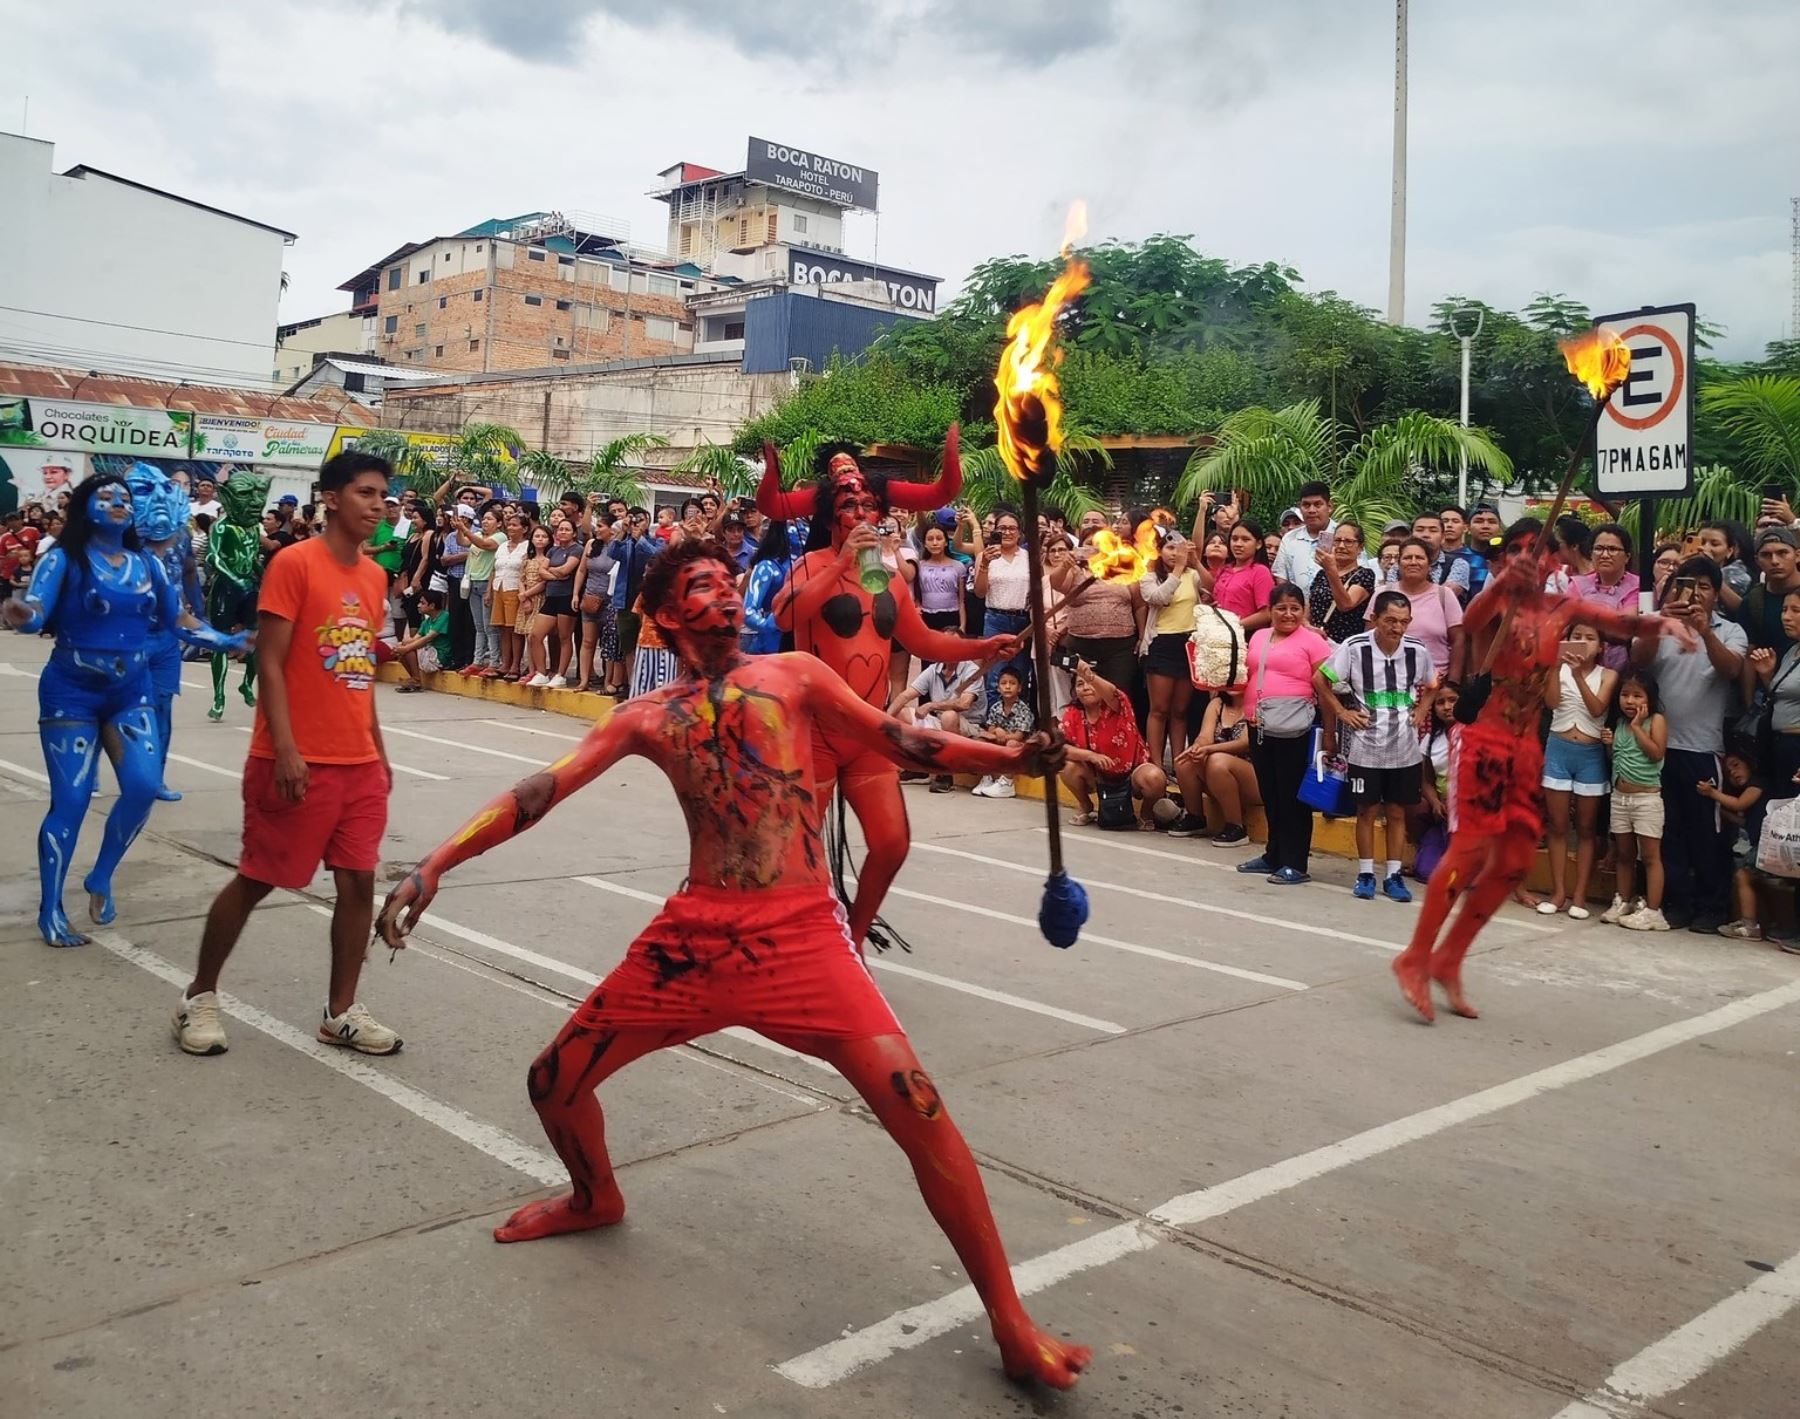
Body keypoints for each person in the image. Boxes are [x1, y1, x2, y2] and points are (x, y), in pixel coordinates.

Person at [373, 539, 1085, 1390]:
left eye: (729, 581)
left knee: (921, 1110)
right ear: (668, 614)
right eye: (704, 586)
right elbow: (540, 790)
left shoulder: (796, 675)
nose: (727, 593)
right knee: (551, 1083)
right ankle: (595, 1195)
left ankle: (1010, 1318)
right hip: (694, 942)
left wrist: (1010, 758)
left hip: (803, 940)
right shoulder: (645, 714)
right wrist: (436, 863)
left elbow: (902, 739)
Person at [1392, 524, 1691, 1022]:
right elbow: (1472, 615)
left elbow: (1620, 622)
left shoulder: (1564, 609)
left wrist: (1663, 622)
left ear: (1554, 560)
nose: (1527, 559)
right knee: (1468, 851)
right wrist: (1503, 582)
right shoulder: (1495, 604)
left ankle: (1448, 959)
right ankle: (1415, 956)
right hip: (1484, 743)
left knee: (1512, 862)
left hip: (1525, 748)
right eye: (1515, 551)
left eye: (1536, 551)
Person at [170, 453, 400, 1056]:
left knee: (358, 886)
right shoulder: (294, 564)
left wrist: (378, 751)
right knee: (256, 879)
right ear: (329, 498)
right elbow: (268, 661)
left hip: (358, 766)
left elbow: (360, 670)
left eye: (382, 495)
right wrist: (289, 750)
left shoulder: (374, 578)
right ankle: (198, 996)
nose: (378, 505)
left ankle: (340, 1012)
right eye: (365, 493)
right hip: (294, 760)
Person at [764, 430, 1015, 947]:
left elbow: (922, 639)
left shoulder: (891, 577)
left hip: (869, 731)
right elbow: (784, 615)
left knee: (892, 843)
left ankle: (852, 939)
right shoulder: (811, 564)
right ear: (832, 518)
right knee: (797, 851)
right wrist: (836, 563)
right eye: (850, 508)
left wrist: (984, 648)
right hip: (814, 732)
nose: (861, 516)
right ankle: (796, 937)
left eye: (869, 509)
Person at [4, 474, 248, 947]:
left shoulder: (145, 565)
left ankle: (101, 875)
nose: (118, 504)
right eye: (106, 498)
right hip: (70, 693)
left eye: (124, 499)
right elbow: (35, 612)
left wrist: (228, 639)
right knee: (71, 803)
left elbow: (179, 620)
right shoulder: (63, 560)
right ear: (84, 509)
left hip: (130, 692)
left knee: (141, 787)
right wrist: (21, 614)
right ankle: (51, 908)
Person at [1632, 556, 1748, 933]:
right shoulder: (1657, 625)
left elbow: (1731, 670)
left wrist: (1705, 632)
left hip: (1703, 750)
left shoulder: (1731, 631)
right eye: (1687, 583)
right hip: (1659, 748)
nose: (1695, 592)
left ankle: (1712, 907)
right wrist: (1661, 624)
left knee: (1707, 835)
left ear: (1716, 593)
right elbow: (1638, 661)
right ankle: (1677, 904)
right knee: (1670, 833)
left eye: (1704, 586)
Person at [1316, 590, 1435, 904]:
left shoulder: (1417, 649)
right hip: (1366, 744)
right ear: (1376, 619)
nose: (1397, 628)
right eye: (1390, 621)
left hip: (1405, 744)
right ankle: (1366, 873)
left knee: (1396, 811)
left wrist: (1422, 710)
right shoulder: (1355, 647)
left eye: (1403, 621)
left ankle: (1393, 875)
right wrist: (1342, 712)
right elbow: (1320, 679)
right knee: (1366, 810)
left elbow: (1433, 684)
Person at [1237, 583, 1331, 884]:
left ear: (1304, 611)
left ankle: (1295, 861)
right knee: (1271, 794)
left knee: (1292, 797)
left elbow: (1328, 687)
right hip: (1260, 726)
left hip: (1295, 729)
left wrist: (1330, 731)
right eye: (1281, 608)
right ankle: (1273, 854)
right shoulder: (1260, 636)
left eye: (1295, 608)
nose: (1288, 614)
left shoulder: (1314, 642)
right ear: (1270, 610)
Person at [1539, 622, 1617, 918]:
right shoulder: (1556, 670)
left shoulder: (1608, 675)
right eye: (1576, 637)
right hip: (1558, 748)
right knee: (1558, 826)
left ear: (1601, 646)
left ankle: (1580, 896)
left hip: (1591, 753)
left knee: (1586, 829)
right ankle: (1559, 892)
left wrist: (1577, 676)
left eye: (1589, 638)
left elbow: (1598, 709)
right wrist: (1556, 668)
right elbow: (1551, 702)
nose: (1582, 642)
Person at [1060, 658, 1167, 830]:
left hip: (1132, 773)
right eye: (1080, 684)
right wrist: (1090, 756)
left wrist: (1088, 674)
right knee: (1065, 765)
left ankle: (1146, 814)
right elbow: (1061, 748)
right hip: (1098, 775)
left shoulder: (1118, 704)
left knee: (1155, 778)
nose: (1086, 688)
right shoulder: (1072, 713)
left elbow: (1111, 692)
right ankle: (1086, 806)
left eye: (1090, 683)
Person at [1599, 671, 1669, 931]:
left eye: (1637, 695)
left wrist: (1638, 727)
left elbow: (1656, 753)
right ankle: (1623, 900)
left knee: (1650, 856)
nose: (1629, 701)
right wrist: (1609, 745)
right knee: (1624, 854)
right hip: (1620, 797)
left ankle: (1653, 911)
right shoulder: (1618, 724)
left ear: (1650, 699)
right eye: (1625, 695)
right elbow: (1619, 758)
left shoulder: (1656, 720)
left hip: (1646, 799)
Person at [1138, 535, 1208, 770]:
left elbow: (1213, 587)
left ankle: (1180, 763)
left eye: (1178, 549)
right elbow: (1158, 598)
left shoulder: (1192, 575)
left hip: (1189, 643)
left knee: (1180, 710)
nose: (1174, 553)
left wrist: (1195, 562)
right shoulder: (1149, 577)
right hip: (1161, 643)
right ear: (1159, 551)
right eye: (1169, 548)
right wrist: (1177, 570)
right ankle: (1155, 764)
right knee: (1159, 709)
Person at [205, 472, 270, 721]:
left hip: (249, 590)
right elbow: (213, 557)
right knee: (221, 642)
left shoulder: (253, 527)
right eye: (246, 495)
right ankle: (219, 696)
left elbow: (252, 558)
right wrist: (234, 578)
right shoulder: (222, 525)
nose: (254, 502)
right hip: (225, 590)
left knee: (255, 640)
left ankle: (246, 683)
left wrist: (266, 578)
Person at [1170, 687, 1258, 843]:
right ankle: (1195, 817)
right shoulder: (1217, 704)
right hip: (1218, 772)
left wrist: (1208, 750)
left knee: (1216, 761)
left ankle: (1236, 826)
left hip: (1254, 775)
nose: (1233, 684)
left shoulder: (1257, 704)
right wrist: (1197, 746)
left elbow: (1245, 743)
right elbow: (1205, 736)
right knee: (1185, 760)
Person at [892, 654, 987, 793]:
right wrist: (883, 722)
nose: (950, 651)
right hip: (941, 720)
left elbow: (964, 704)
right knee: (902, 714)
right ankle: (918, 767)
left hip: (970, 726)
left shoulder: (972, 670)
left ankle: (946, 774)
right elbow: (905, 696)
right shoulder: (934, 669)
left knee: (949, 716)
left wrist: (931, 706)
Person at [1380, 537, 1466, 683]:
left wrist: (1453, 682)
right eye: (1407, 558)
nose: (1413, 562)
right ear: (1399, 564)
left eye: (1419, 557)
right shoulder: (1382, 594)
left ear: (1430, 565)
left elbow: (1459, 640)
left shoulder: (1444, 595)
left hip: (1435, 684)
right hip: (1387, 682)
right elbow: (1369, 637)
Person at [972, 509, 1033, 702]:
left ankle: (1019, 724)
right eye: (1002, 528)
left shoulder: (1029, 557)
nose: (1007, 532)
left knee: (1021, 673)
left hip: (1023, 619)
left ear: (1020, 532)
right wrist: (985, 565)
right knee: (994, 674)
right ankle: (993, 723)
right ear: (994, 531)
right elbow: (980, 592)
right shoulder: (985, 555)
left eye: (1012, 528)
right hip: (995, 619)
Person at [1570, 522, 1639, 671]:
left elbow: (1624, 629)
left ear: (1627, 557)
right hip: (1578, 669)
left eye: (1613, 549)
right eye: (1599, 549)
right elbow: (1564, 621)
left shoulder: (1638, 587)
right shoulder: (1577, 584)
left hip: (1621, 672)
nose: (1605, 555)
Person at [528, 518, 581, 688]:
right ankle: (541, 672)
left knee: (564, 637)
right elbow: (541, 571)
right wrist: (555, 574)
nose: (562, 532)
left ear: (574, 533)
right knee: (535, 636)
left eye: (567, 529)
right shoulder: (553, 551)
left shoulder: (577, 549)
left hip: (566, 596)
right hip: (552, 595)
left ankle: (561, 674)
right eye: (560, 529)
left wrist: (552, 571)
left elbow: (567, 569)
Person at [972, 665, 1035, 799]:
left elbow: (1019, 736)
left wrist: (1002, 735)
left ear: (1019, 688)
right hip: (1001, 742)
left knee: (1011, 743)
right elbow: (990, 728)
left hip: (1019, 747)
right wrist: (997, 731)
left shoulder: (1024, 710)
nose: (1007, 687)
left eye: (1012, 683)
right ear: (998, 687)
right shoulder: (995, 707)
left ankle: (1007, 783)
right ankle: (988, 777)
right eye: (1003, 683)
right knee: (981, 741)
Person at [1734, 527, 1800, 655]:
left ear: (1797, 556)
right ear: (1757, 560)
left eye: (1782, 553)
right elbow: (1750, 653)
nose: (1775, 561)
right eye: (1766, 555)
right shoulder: (1753, 602)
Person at [1308, 520, 1376, 643]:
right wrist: (1307, 626)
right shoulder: (1322, 574)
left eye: (1348, 542)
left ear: (1360, 547)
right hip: (1316, 642)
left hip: (1344, 645)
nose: (1341, 546)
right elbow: (1309, 605)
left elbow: (1345, 604)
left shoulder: (1364, 575)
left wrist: (1331, 570)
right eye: (1337, 540)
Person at [573, 518, 618, 693]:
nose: (597, 529)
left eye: (601, 526)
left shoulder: (618, 546)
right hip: (591, 596)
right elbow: (582, 570)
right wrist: (576, 594)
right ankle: (584, 680)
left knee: (608, 643)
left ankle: (608, 681)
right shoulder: (591, 544)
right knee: (588, 640)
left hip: (610, 599)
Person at [740, 518, 796, 655]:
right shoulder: (766, 567)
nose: (802, 529)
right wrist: (772, 624)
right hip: (772, 646)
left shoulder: (810, 565)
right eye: (793, 524)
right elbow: (747, 612)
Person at [1269, 481, 1337, 593]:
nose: (1311, 510)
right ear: (1300, 507)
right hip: (1298, 608)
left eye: (1317, 504)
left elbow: (1357, 574)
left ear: (1329, 506)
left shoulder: (1343, 536)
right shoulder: (1289, 539)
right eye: (1306, 505)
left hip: (1336, 607)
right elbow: (1281, 578)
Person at [1211, 519, 1275, 632]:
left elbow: (1266, 614)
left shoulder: (1260, 572)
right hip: (1219, 634)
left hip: (1247, 636)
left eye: (1245, 540)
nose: (1238, 544)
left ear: (1258, 544)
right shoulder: (1225, 569)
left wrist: (1234, 626)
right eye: (1234, 539)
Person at [460, 505, 502, 675]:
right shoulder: (476, 534)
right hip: (473, 582)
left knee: (489, 627)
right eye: (484, 518)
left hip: (487, 583)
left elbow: (485, 545)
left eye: (490, 519)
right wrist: (459, 528)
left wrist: (464, 529)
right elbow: (462, 542)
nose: (485, 521)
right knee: (478, 626)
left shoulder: (500, 537)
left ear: (499, 523)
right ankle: (477, 661)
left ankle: (494, 661)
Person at [490, 513, 529, 680]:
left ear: (525, 528)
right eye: (509, 525)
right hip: (499, 587)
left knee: (515, 629)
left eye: (515, 525)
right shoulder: (502, 546)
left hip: (515, 589)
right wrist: (488, 591)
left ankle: (515, 664)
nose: (510, 528)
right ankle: (505, 662)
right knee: (503, 628)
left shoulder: (527, 546)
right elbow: (494, 568)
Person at [388, 586, 448, 691]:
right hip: (428, 653)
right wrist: (401, 645)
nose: (418, 605)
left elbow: (426, 639)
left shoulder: (444, 616)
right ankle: (414, 678)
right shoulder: (427, 621)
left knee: (408, 651)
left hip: (439, 656)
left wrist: (406, 648)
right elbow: (415, 639)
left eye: (422, 603)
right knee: (402, 650)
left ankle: (416, 680)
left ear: (432, 605)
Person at [913, 521, 966, 633]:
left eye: (939, 538)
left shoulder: (958, 566)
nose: (935, 543)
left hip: (951, 616)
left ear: (946, 542)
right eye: (930, 539)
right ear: (925, 543)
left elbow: (962, 600)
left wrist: (963, 626)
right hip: (926, 616)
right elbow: (916, 595)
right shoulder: (919, 565)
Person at [1697, 519, 1757, 612]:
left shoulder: (1738, 575)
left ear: (1730, 550)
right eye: (1702, 542)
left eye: (1715, 544)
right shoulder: (1682, 568)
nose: (1705, 548)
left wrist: (1712, 570)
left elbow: (1741, 610)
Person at [1411, 512, 1472, 601]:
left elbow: (1445, 595)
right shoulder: (1397, 566)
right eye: (1420, 530)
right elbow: (1391, 598)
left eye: (1433, 530)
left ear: (1443, 537)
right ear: (1411, 536)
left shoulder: (1458, 564)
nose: (1425, 535)